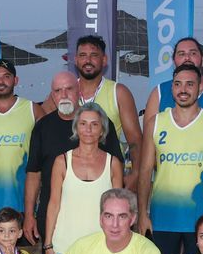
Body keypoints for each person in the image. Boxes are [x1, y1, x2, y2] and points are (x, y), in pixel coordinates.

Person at [22, 71, 123, 254]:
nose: (64, 95)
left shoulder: (102, 125)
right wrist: (29, 215)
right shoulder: (42, 127)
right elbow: (33, 173)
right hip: (56, 224)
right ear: (52, 95)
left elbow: (117, 181)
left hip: (98, 229)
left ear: (79, 91)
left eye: (69, 89)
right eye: (58, 91)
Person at [138, 63, 203, 254]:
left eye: (189, 84)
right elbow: (145, 171)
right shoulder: (155, 123)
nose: (183, 89)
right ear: (172, 88)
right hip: (163, 215)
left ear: (199, 88)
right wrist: (142, 213)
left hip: (202, 218)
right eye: (178, 84)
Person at [45, 102, 124, 254]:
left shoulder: (113, 163)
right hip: (64, 246)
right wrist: (48, 244)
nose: (88, 129)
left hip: (101, 247)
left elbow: (118, 209)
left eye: (94, 124)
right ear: (76, 127)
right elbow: (53, 204)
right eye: (83, 124)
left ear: (102, 130)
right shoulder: (61, 161)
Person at [60, 35, 143, 190]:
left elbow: (135, 140)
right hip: (70, 179)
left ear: (104, 60)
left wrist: (135, 174)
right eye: (83, 55)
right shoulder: (65, 92)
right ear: (76, 60)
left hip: (109, 178)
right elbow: (44, 126)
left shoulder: (119, 93)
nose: (88, 60)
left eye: (94, 55)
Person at [0, 58, 43, 217]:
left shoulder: (32, 109)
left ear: (15, 80)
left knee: (22, 236)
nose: (1, 81)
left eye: (6, 76)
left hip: (22, 202)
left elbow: (48, 145)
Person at [140, 37, 203, 125]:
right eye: (181, 54)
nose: (187, 58)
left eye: (193, 53)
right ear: (173, 61)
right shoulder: (159, 92)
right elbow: (149, 134)